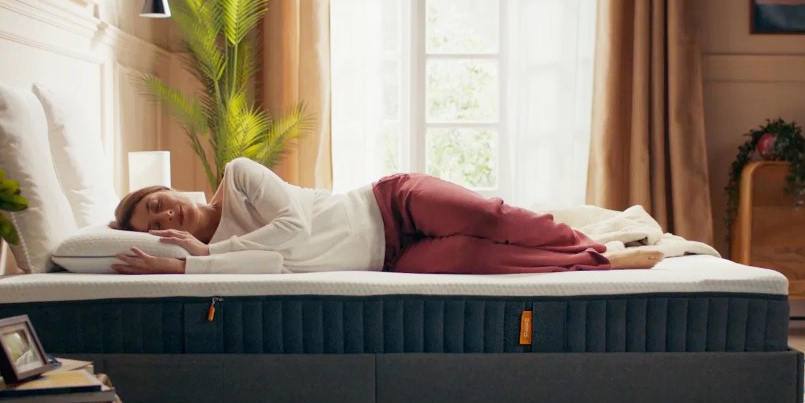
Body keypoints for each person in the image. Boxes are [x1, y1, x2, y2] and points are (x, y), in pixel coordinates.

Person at [111, 157, 663, 275]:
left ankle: (593, 236)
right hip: (391, 259)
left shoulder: (239, 176)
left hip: (388, 203)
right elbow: (261, 267)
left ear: (168, 188)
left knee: (489, 218)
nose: (164, 218)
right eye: (154, 226)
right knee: (476, 256)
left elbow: (292, 231)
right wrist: (187, 267)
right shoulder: (211, 257)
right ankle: (602, 261)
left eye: (157, 203)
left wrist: (209, 254)